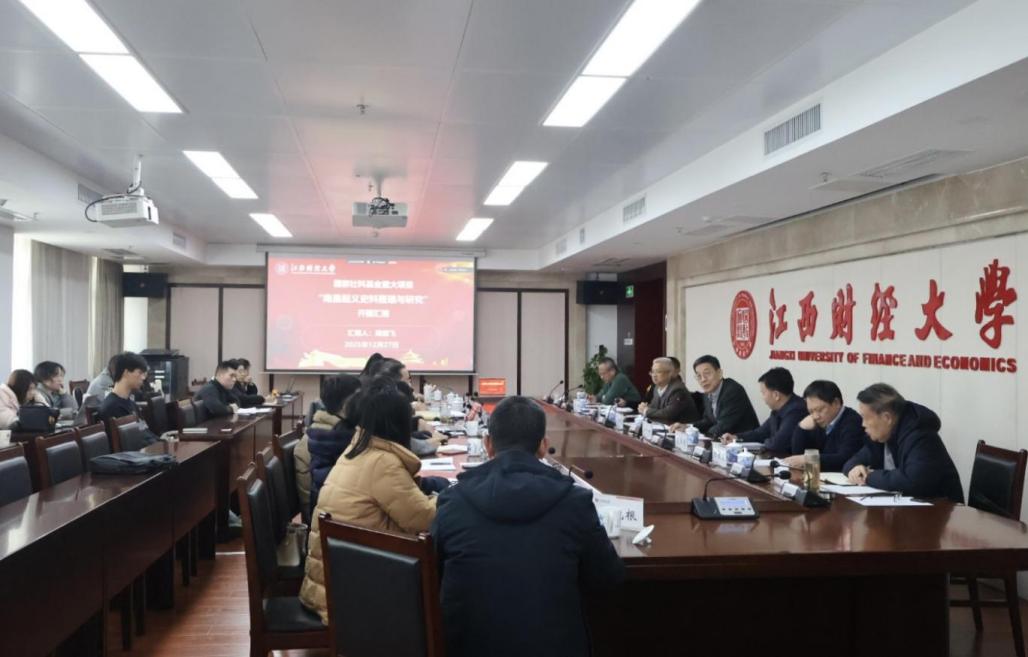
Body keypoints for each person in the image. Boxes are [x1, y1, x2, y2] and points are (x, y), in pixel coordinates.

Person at [432, 396, 624, 657]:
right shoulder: (574, 502)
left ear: (488, 445)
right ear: (544, 446)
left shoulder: (453, 501)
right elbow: (607, 576)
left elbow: (433, 574)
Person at [300, 379, 438, 624]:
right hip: (353, 593)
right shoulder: (382, 462)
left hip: (333, 583)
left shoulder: (359, 448)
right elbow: (425, 520)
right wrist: (448, 497)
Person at [843, 383, 964, 503]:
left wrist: (869, 476)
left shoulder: (921, 436)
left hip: (940, 508)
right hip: (903, 507)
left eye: (866, 418)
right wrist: (855, 468)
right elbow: (851, 462)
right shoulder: (881, 436)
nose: (863, 424)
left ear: (887, 418)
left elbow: (913, 482)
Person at [295, 374, 362, 517]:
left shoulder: (349, 429)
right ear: (346, 404)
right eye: (359, 398)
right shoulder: (320, 438)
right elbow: (308, 497)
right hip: (327, 517)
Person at [785, 380, 868, 471]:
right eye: (811, 411)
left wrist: (809, 459)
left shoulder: (853, 422)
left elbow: (845, 459)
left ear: (836, 403)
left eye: (820, 410)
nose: (815, 416)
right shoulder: (818, 422)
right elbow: (799, 457)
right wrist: (801, 429)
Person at [723, 367, 804, 452]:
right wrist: (735, 437)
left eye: (763, 393)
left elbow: (777, 445)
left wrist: (765, 442)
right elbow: (760, 433)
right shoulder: (777, 410)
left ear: (776, 395)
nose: (762, 398)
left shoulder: (797, 411)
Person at [96, 352, 159, 445]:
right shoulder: (112, 408)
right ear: (126, 372)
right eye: (140, 372)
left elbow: (145, 431)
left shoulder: (131, 403)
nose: (143, 378)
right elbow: (132, 441)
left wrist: (163, 442)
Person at [688, 355, 759, 437]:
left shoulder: (732, 390)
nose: (703, 379)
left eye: (707, 373)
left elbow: (723, 425)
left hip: (745, 441)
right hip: (724, 441)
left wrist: (703, 436)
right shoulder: (708, 393)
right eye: (699, 376)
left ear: (719, 373)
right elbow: (708, 420)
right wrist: (688, 427)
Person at [636, 357, 699, 425]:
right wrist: (643, 407)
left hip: (682, 429)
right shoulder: (657, 387)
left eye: (658, 371)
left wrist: (646, 410)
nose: (654, 375)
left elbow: (668, 414)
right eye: (653, 372)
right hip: (663, 426)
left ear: (669, 373)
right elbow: (654, 407)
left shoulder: (678, 389)